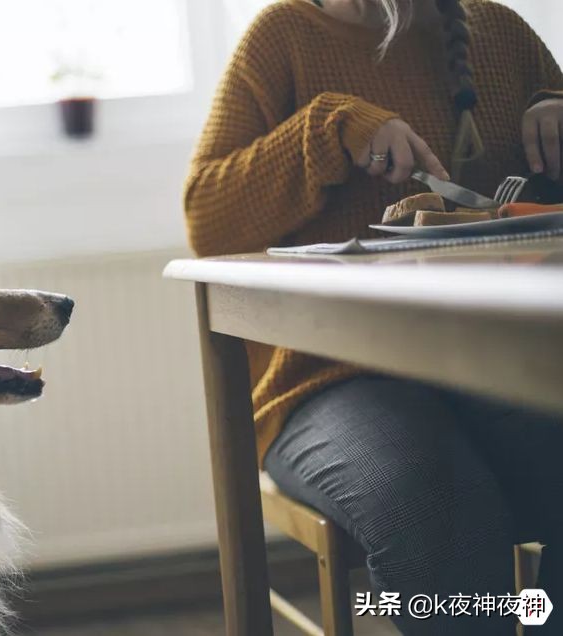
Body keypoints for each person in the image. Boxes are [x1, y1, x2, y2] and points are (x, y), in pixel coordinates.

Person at [183, 0, 563, 633]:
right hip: (324, 379)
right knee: (439, 511)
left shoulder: (498, 31)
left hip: (495, 365)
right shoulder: (284, 35)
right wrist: (325, 128)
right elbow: (206, 220)